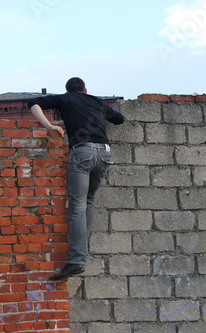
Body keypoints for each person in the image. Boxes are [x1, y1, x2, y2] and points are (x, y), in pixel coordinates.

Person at [27, 77, 125, 280]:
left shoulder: (65, 99)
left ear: (68, 91)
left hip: (83, 153)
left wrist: (50, 126)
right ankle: (81, 252)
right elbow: (119, 119)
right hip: (104, 154)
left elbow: (33, 103)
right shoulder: (98, 101)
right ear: (85, 90)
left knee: (78, 204)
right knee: (89, 200)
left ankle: (76, 260)